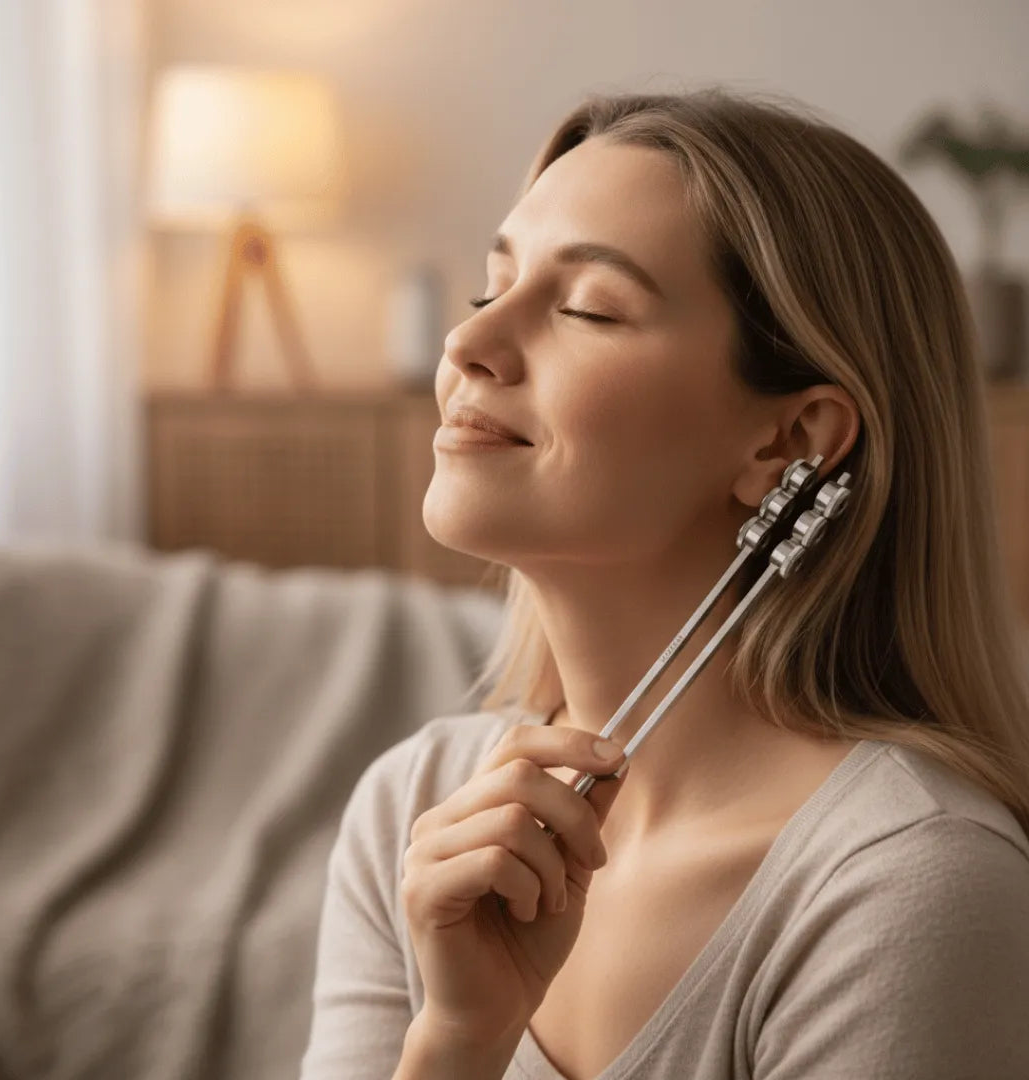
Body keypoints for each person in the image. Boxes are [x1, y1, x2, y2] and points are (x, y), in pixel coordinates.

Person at [301, 88, 1029, 1080]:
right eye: (489, 289)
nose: (468, 345)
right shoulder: (417, 809)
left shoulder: (909, 886)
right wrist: (458, 1042)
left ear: (788, 441)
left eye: (587, 307)